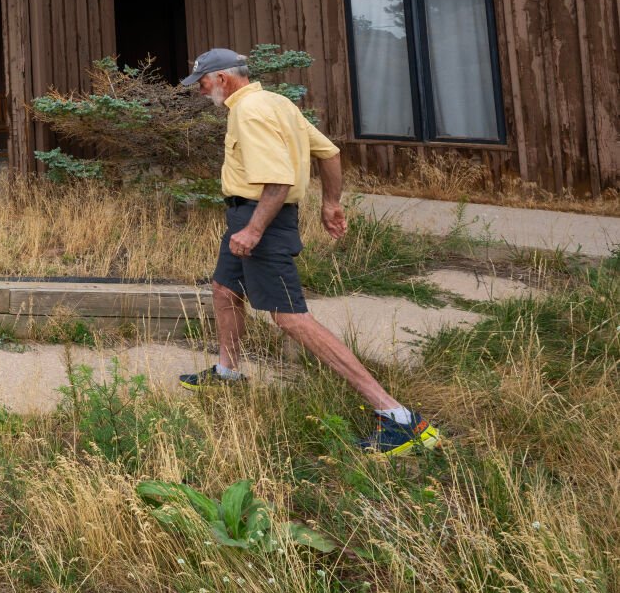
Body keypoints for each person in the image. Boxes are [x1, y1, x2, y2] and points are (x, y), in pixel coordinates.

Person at [176, 48, 440, 457]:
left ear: (224, 79)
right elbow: (329, 152)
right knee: (224, 289)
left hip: (260, 219)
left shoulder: (248, 112)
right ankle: (227, 372)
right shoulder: (277, 102)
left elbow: (278, 183)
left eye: (203, 83)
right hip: (248, 217)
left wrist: (253, 230)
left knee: (291, 319)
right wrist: (331, 202)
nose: (200, 92)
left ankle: (398, 417)